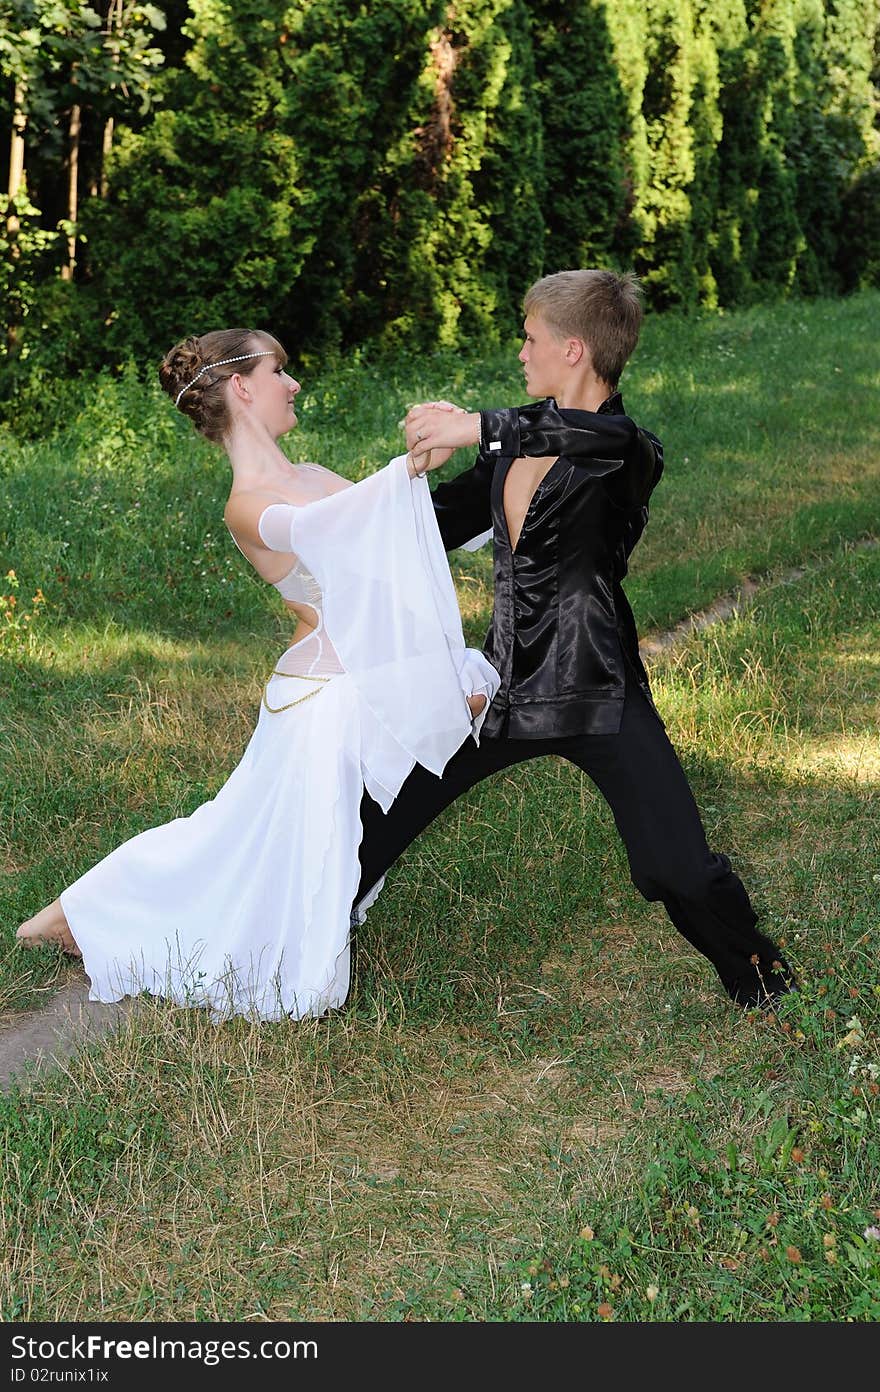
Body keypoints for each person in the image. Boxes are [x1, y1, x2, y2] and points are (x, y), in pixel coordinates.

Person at [16, 328, 499, 1021]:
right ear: (242, 386)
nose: (293, 383)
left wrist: (442, 453)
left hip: (347, 689)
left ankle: (87, 914)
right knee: (234, 837)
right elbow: (338, 529)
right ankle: (75, 915)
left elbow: (393, 536)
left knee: (248, 839)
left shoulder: (311, 476)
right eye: (279, 369)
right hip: (318, 700)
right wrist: (409, 467)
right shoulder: (247, 502)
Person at [354, 269, 793, 1009]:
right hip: (499, 689)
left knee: (676, 866)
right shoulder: (510, 442)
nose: (521, 353)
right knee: (378, 814)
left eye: (530, 339)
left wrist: (481, 424)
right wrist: (387, 484)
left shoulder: (628, 448)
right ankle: (289, 952)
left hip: (596, 687)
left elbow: (593, 433)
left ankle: (768, 987)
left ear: (575, 350)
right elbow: (430, 525)